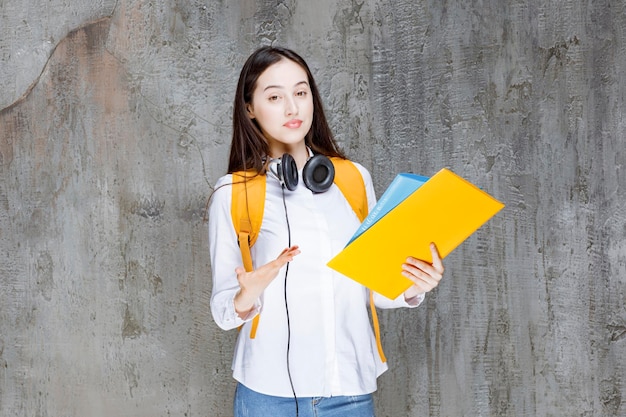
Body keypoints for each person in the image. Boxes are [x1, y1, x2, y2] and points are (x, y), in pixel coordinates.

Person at [208, 46, 444, 417]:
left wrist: (416, 284)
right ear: (250, 107)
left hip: (348, 390)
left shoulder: (353, 179)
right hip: (269, 396)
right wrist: (246, 295)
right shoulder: (233, 194)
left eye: (301, 93)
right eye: (274, 97)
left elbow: (374, 287)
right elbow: (223, 312)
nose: (292, 108)